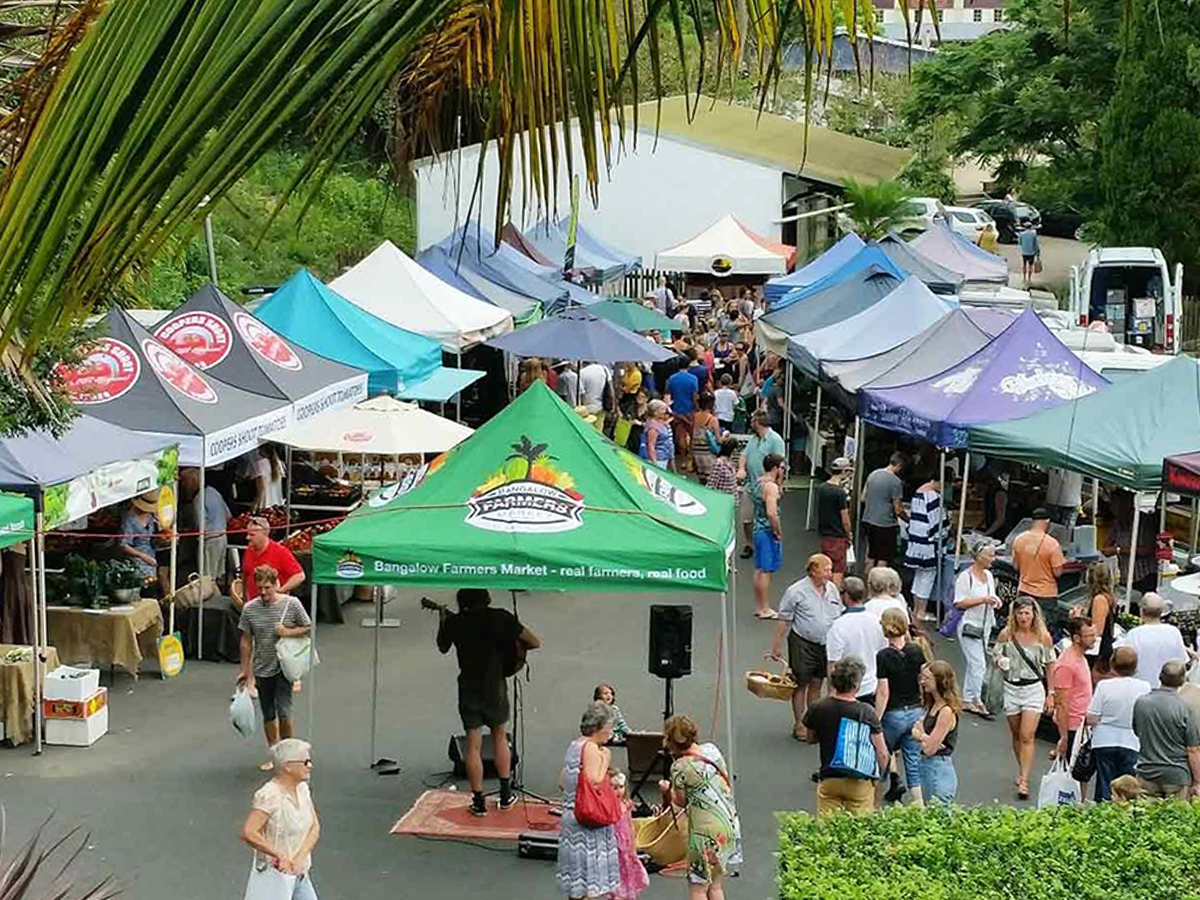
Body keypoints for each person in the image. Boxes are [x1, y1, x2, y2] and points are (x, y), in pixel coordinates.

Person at [437, 588, 541, 816]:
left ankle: (478, 800)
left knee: (473, 745)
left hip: (468, 687)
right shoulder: (501, 617)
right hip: (495, 686)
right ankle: (505, 794)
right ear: (486, 598)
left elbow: (443, 647)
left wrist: (443, 620)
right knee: (500, 738)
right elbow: (534, 642)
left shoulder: (455, 623)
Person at [659, 714, 741, 899]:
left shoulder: (680, 767)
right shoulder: (712, 751)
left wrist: (666, 790)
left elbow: (681, 801)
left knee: (698, 887)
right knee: (716, 885)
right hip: (728, 823)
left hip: (704, 832)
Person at [237, 566, 312, 769]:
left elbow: (308, 627)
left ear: (276, 584)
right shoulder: (250, 609)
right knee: (268, 713)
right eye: (259, 588)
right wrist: (245, 671)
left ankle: (289, 754)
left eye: (267, 588)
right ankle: (274, 753)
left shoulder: (292, 604)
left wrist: (287, 632)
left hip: (284, 667)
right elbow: (246, 641)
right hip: (262, 667)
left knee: (284, 711)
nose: (263, 592)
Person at [768, 554, 843, 741]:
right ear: (813, 570)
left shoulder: (832, 589)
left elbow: (840, 613)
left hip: (826, 645)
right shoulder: (796, 591)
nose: (830, 573)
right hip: (802, 642)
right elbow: (784, 619)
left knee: (818, 683)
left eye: (830, 569)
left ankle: (813, 722)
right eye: (826, 569)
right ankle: (799, 723)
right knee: (801, 683)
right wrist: (776, 646)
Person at [803, 658, 890, 816]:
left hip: (829, 777)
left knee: (826, 830)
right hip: (859, 779)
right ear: (856, 685)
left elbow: (810, 738)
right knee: (859, 829)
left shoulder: (818, 707)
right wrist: (878, 778)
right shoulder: (866, 712)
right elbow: (882, 753)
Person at [240, 738, 320, 900]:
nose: (310, 766)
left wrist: (298, 860)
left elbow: (314, 827)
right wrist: (280, 856)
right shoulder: (269, 795)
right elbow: (249, 832)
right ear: (288, 766)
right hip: (276, 876)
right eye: (305, 762)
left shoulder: (303, 789)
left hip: (299, 873)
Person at [993, 596, 1056, 800]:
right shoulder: (1006, 635)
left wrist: (1051, 693)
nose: (1023, 617)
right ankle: (1023, 769)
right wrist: (1000, 660)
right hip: (1011, 688)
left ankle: (1024, 780)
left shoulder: (1043, 637)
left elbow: (1050, 664)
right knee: (1016, 734)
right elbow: (995, 655)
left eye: (1027, 613)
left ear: (1034, 614)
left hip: (1033, 689)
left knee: (1027, 735)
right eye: (1020, 613)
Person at [556, 703, 621, 899]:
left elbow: (562, 781)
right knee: (589, 881)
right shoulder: (592, 748)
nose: (610, 734)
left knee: (577, 882)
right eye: (609, 728)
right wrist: (606, 760)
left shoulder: (574, 745)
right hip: (587, 820)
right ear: (599, 727)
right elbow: (595, 780)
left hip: (571, 815)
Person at [875, 607, 928, 806]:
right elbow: (923, 678)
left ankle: (873, 800)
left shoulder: (884, 656)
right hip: (915, 710)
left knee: (882, 755)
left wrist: (876, 718)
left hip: (893, 713)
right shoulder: (916, 649)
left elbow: (883, 692)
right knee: (912, 759)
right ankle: (919, 803)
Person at [1086, 645, 1150, 801]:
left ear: (1112, 664)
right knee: (1127, 787)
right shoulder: (1144, 687)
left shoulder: (1104, 686)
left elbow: (1091, 718)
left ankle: (1102, 813)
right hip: (1132, 741)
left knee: (1104, 783)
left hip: (1104, 740)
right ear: (1135, 666)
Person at [1132, 661, 1200, 799]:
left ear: (1160, 677)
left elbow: (1137, 731)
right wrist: (1197, 781)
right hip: (1177, 773)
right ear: (1182, 681)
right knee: (1175, 818)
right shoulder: (1185, 708)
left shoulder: (1141, 703)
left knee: (1146, 818)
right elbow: (1193, 749)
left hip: (1146, 771)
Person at [954, 541, 1002, 719]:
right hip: (969, 624)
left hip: (985, 623)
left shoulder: (988, 575)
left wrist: (995, 600)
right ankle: (978, 700)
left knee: (974, 662)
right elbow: (959, 602)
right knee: (978, 663)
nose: (993, 558)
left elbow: (991, 595)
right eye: (990, 555)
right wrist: (983, 600)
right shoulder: (965, 577)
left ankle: (967, 698)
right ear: (978, 556)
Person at [826, 577, 886, 705]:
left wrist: (831, 693)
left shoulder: (838, 625)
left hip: (845, 690)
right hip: (871, 687)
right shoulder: (877, 621)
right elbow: (883, 651)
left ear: (846, 596)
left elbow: (833, 663)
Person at [1052, 617, 1096, 784]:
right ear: (1076, 638)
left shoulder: (1080, 657)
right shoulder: (1067, 664)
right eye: (1089, 635)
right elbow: (1062, 703)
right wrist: (1064, 737)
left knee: (1081, 776)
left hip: (1081, 725)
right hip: (1073, 727)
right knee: (1072, 777)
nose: (1093, 638)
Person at [736, 409, 785, 559]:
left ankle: (770, 543)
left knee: (767, 515)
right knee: (746, 518)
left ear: (758, 423)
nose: (750, 423)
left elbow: (780, 465)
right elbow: (743, 455)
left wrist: (779, 484)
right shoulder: (754, 439)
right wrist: (741, 468)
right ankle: (749, 544)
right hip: (750, 485)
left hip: (766, 486)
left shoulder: (775, 440)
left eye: (752, 421)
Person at [1117, 592, 1193, 688]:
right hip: (1167, 689)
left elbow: (1125, 663)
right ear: (1161, 612)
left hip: (1140, 688)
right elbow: (1181, 662)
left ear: (1142, 611)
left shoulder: (1134, 634)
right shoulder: (1173, 632)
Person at [912, 661, 961, 805]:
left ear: (940, 681)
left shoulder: (945, 711)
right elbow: (916, 728)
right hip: (928, 768)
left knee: (939, 814)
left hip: (938, 770)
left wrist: (920, 735)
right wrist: (926, 737)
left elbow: (929, 749)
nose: (922, 681)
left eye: (927, 678)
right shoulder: (933, 705)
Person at [181, 467, 231, 585]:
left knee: (207, 577)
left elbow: (200, 527)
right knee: (218, 574)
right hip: (223, 537)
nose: (183, 485)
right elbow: (228, 515)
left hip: (209, 541)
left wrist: (187, 530)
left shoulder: (198, 499)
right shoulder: (214, 491)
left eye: (184, 481)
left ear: (192, 480)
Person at [903, 476, 942, 623]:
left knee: (918, 576)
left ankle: (916, 609)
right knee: (927, 577)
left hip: (915, 541)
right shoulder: (932, 496)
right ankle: (922, 611)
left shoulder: (918, 493)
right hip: (927, 543)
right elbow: (937, 523)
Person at [751, 453, 785, 620]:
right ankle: (765, 608)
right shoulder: (771, 487)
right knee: (766, 570)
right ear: (775, 468)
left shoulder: (758, 482)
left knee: (759, 569)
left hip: (757, 527)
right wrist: (777, 530)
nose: (783, 471)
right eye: (782, 468)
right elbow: (772, 512)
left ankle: (759, 606)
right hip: (767, 530)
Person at [1011, 508, 1065, 611]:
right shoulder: (1052, 544)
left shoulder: (1019, 539)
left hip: (1024, 591)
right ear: (1048, 522)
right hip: (1045, 594)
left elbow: (1016, 566)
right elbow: (1057, 572)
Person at [861, 452, 908, 570]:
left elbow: (863, 498)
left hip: (868, 520)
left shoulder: (873, 474)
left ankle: (867, 584)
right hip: (885, 524)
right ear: (900, 466)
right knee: (883, 558)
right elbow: (898, 509)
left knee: (871, 555)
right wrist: (908, 519)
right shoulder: (896, 482)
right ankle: (879, 586)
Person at [243, 516, 306, 601]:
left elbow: (299, 576)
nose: (247, 538)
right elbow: (245, 576)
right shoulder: (248, 551)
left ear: (264, 534)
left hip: (275, 606)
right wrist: (245, 600)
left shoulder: (280, 552)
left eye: (252, 535)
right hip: (254, 606)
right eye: (247, 534)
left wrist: (281, 590)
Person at [609, 767, 648, 900]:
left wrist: (633, 842)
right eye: (614, 788)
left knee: (628, 873)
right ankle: (617, 895)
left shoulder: (626, 804)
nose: (618, 791)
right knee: (616, 875)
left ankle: (626, 893)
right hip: (613, 846)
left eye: (621, 787)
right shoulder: (607, 807)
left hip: (626, 844)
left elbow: (629, 824)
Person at [814, 459, 853, 587]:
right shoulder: (839, 492)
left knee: (827, 565)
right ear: (844, 471)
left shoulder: (821, 488)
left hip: (824, 533)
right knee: (838, 569)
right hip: (838, 534)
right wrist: (849, 533)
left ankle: (825, 593)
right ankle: (834, 595)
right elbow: (845, 518)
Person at [1079, 561, 1117, 679]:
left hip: (1098, 652)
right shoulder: (1106, 597)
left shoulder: (1099, 599)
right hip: (1102, 648)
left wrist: (1077, 619)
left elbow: (1098, 630)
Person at [118, 492, 161, 586]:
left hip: (151, 557)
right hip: (135, 561)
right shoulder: (130, 520)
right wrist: (142, 556)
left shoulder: (151, 516)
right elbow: (124, 545)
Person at [665, 357, 700, 462]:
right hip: (690, 410)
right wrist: (697, 407)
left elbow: (668, 395)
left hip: (677, 410)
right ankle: (690, 457)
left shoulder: (671, 379)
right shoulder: (693, 378)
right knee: (691, 434)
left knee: (680, 435)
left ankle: (683, 458)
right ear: (688, 365)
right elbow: (695, 395)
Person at [691, 393, 723, 483]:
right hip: (708, 454)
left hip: (697, 452)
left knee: (701, 480)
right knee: (711, 481)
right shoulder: (712, 420)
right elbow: (718, 440)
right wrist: (725, 436)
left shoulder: (695, 416)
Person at [639, 399, 675, 470]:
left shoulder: (660, 423)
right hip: (657, 460)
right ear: (655, 412)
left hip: (663, 458)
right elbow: (651, 445)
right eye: (662, 409)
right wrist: (654, 463)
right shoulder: (653, 427)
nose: (665, 412)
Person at [254, 445, 285, 510]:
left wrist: (255, 504)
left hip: (265, 504)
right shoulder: (278, 463)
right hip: (278, 503)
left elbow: (261, 488)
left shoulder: (259, 464)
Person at [1017, 219, 1040, 287]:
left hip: (1024, 252)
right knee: (1030, 266)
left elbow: (1020, 243)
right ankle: (1029, 278)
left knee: (1024, 265)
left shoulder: (1021, 234)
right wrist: (1038, 252)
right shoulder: (1033, 235)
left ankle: (1024, 277)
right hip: (1031, 252)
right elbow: (1036, 244)